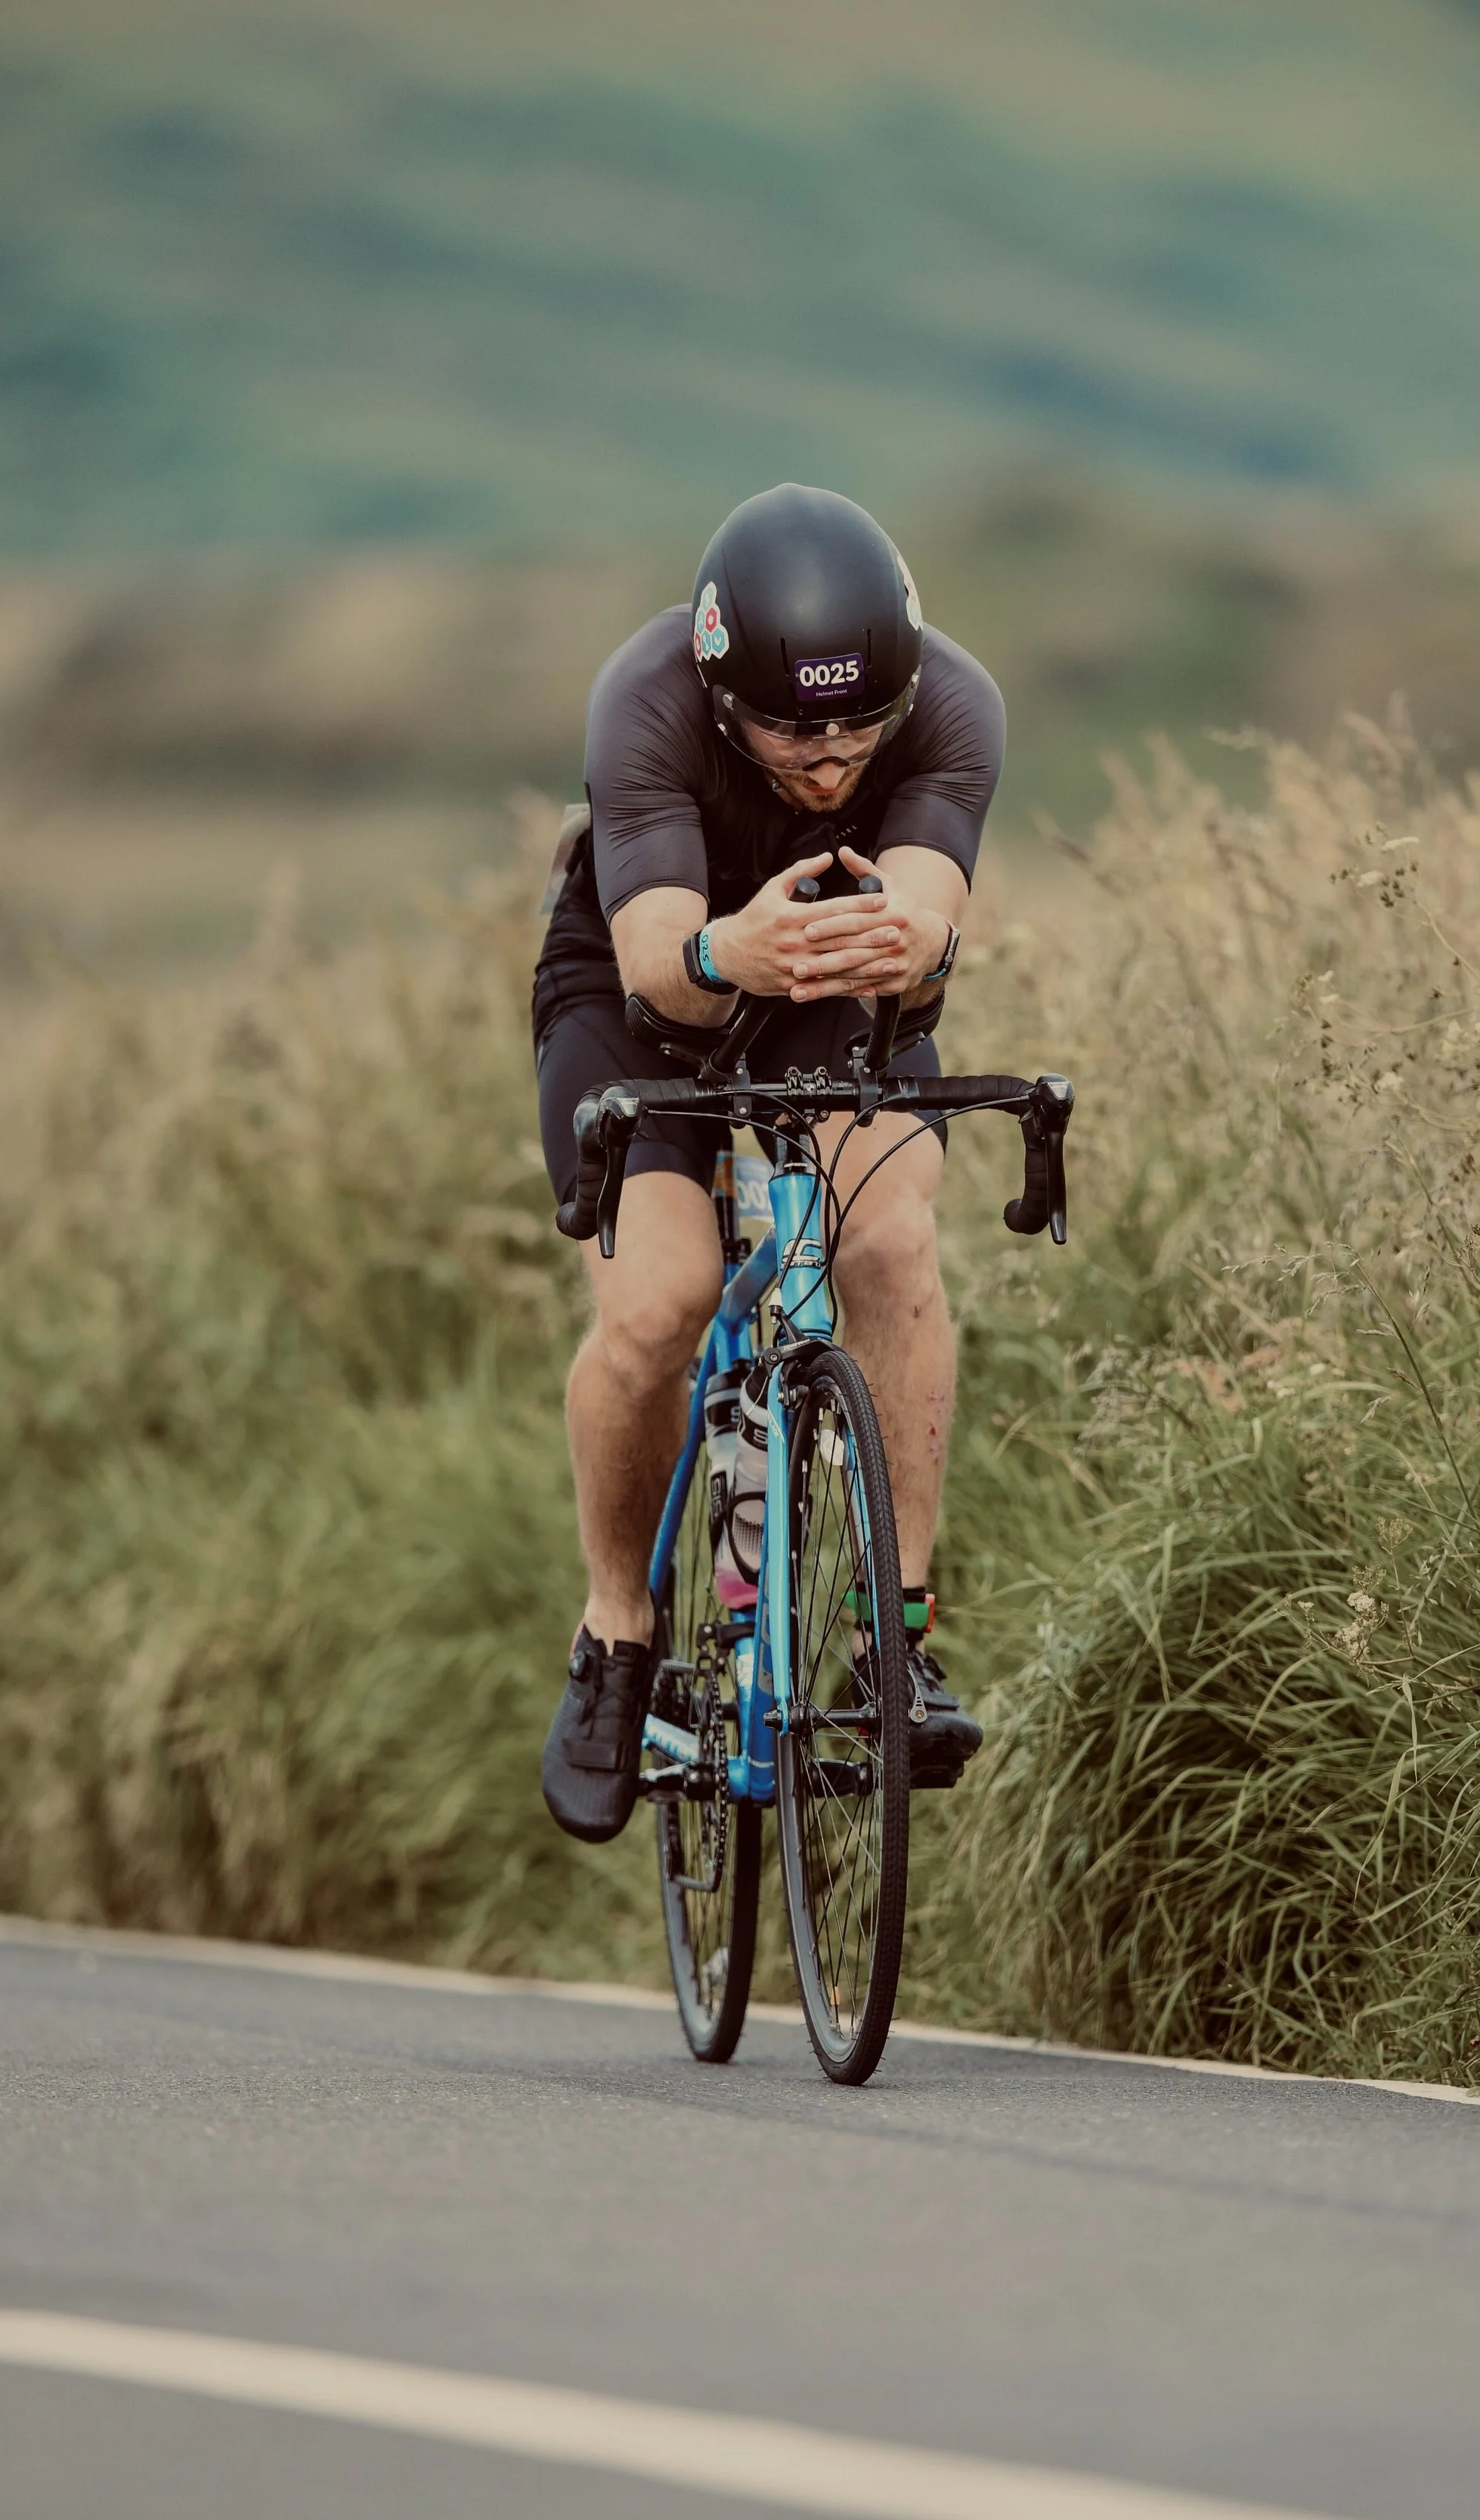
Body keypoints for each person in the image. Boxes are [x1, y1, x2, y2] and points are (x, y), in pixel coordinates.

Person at [534, 483, 1005, 1842]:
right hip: (644, 984)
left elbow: (924, 900)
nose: (835, 757)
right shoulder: (648, 697)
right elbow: (655, 961)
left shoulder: (953, 702)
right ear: (722, 685)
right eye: (798, 728)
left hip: (830, 973)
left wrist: (907, 937)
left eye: (866, 722)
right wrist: (717, 956)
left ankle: (894, 1645)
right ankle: (618, 1632)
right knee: (661, 1304)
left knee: (891, 1240)